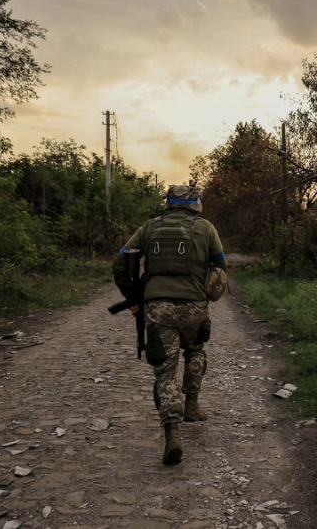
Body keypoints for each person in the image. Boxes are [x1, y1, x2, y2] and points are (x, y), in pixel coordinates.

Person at [112, 184, 227, 464]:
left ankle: (172, 434)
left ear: (168, 203)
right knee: (196, 352)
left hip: (157, 308)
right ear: (194, 204)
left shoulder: (149, 228)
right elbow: (220, 266)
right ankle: (192, 406)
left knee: (165, 370)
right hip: (194, 307)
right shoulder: (206, 228)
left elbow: (119, 263)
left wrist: (134, 297)